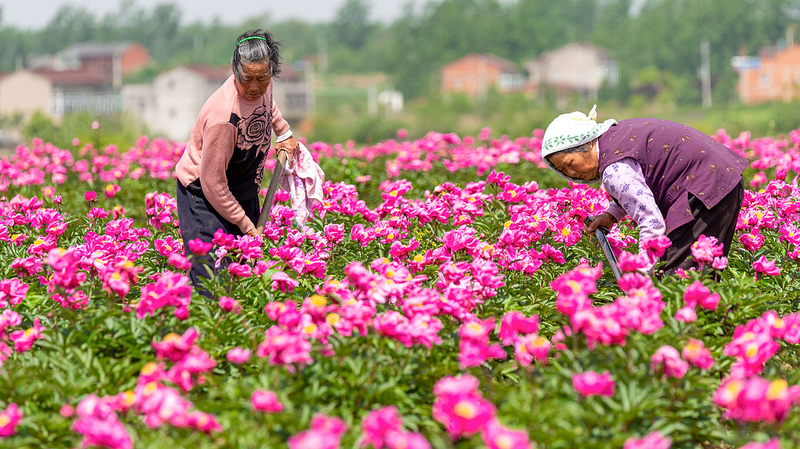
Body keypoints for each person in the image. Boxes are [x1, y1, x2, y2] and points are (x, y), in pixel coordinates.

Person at [541, 105, 748, 276]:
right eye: (562, 170)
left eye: (570, 163)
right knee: (701, 272)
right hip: (722, 178)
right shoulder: (614, 139)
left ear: (584, 143)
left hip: (705, 188)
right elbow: (638, 183)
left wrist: (641, 274)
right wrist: (613, 214)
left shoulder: (613, 171)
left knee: (676, 279)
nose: (571, 173)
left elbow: (651, 221)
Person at [175, 29, 300, 291]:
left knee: (246, 274)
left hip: (241, 186)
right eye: (247, 78)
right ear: (234, 69)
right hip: (205, 196)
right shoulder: (223, 117)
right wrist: (246, 226)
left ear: (271, 72)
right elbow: (213, 183)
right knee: (213, 282)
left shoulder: (264, 84)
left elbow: (268, 105)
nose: (255, 87)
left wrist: (284, 132)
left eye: (262, 78)